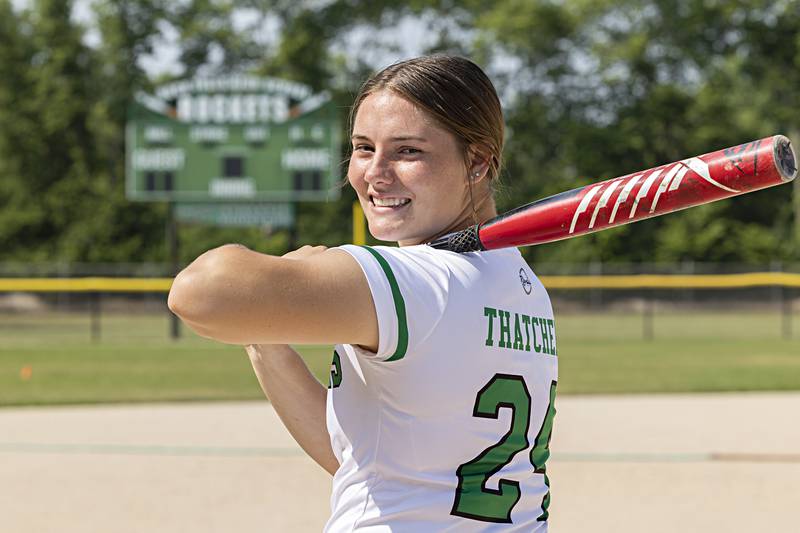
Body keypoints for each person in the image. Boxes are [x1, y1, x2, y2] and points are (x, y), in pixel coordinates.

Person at [168, 55, 558, 532]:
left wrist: (294, 269)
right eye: (363, 148)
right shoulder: (522, 286)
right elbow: (366, 462)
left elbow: (198, 292)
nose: (375, 172)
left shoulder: (417, 280)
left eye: (407, 151)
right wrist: (263, 334)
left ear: (476, 161)